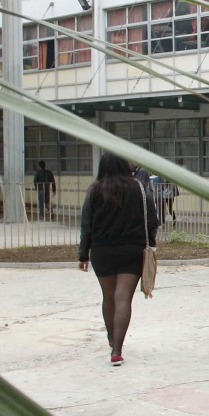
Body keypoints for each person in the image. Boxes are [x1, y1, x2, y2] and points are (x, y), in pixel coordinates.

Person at [77, 154, 157, 367]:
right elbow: (153, 219)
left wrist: (83, 254)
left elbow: (86, 223)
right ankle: (117, 350)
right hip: (132, 249)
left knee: (108, 296)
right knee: (123, 299)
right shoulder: (139, 188)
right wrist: (151, 242)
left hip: (102, 250)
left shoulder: (94, 190)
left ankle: (111, 337)